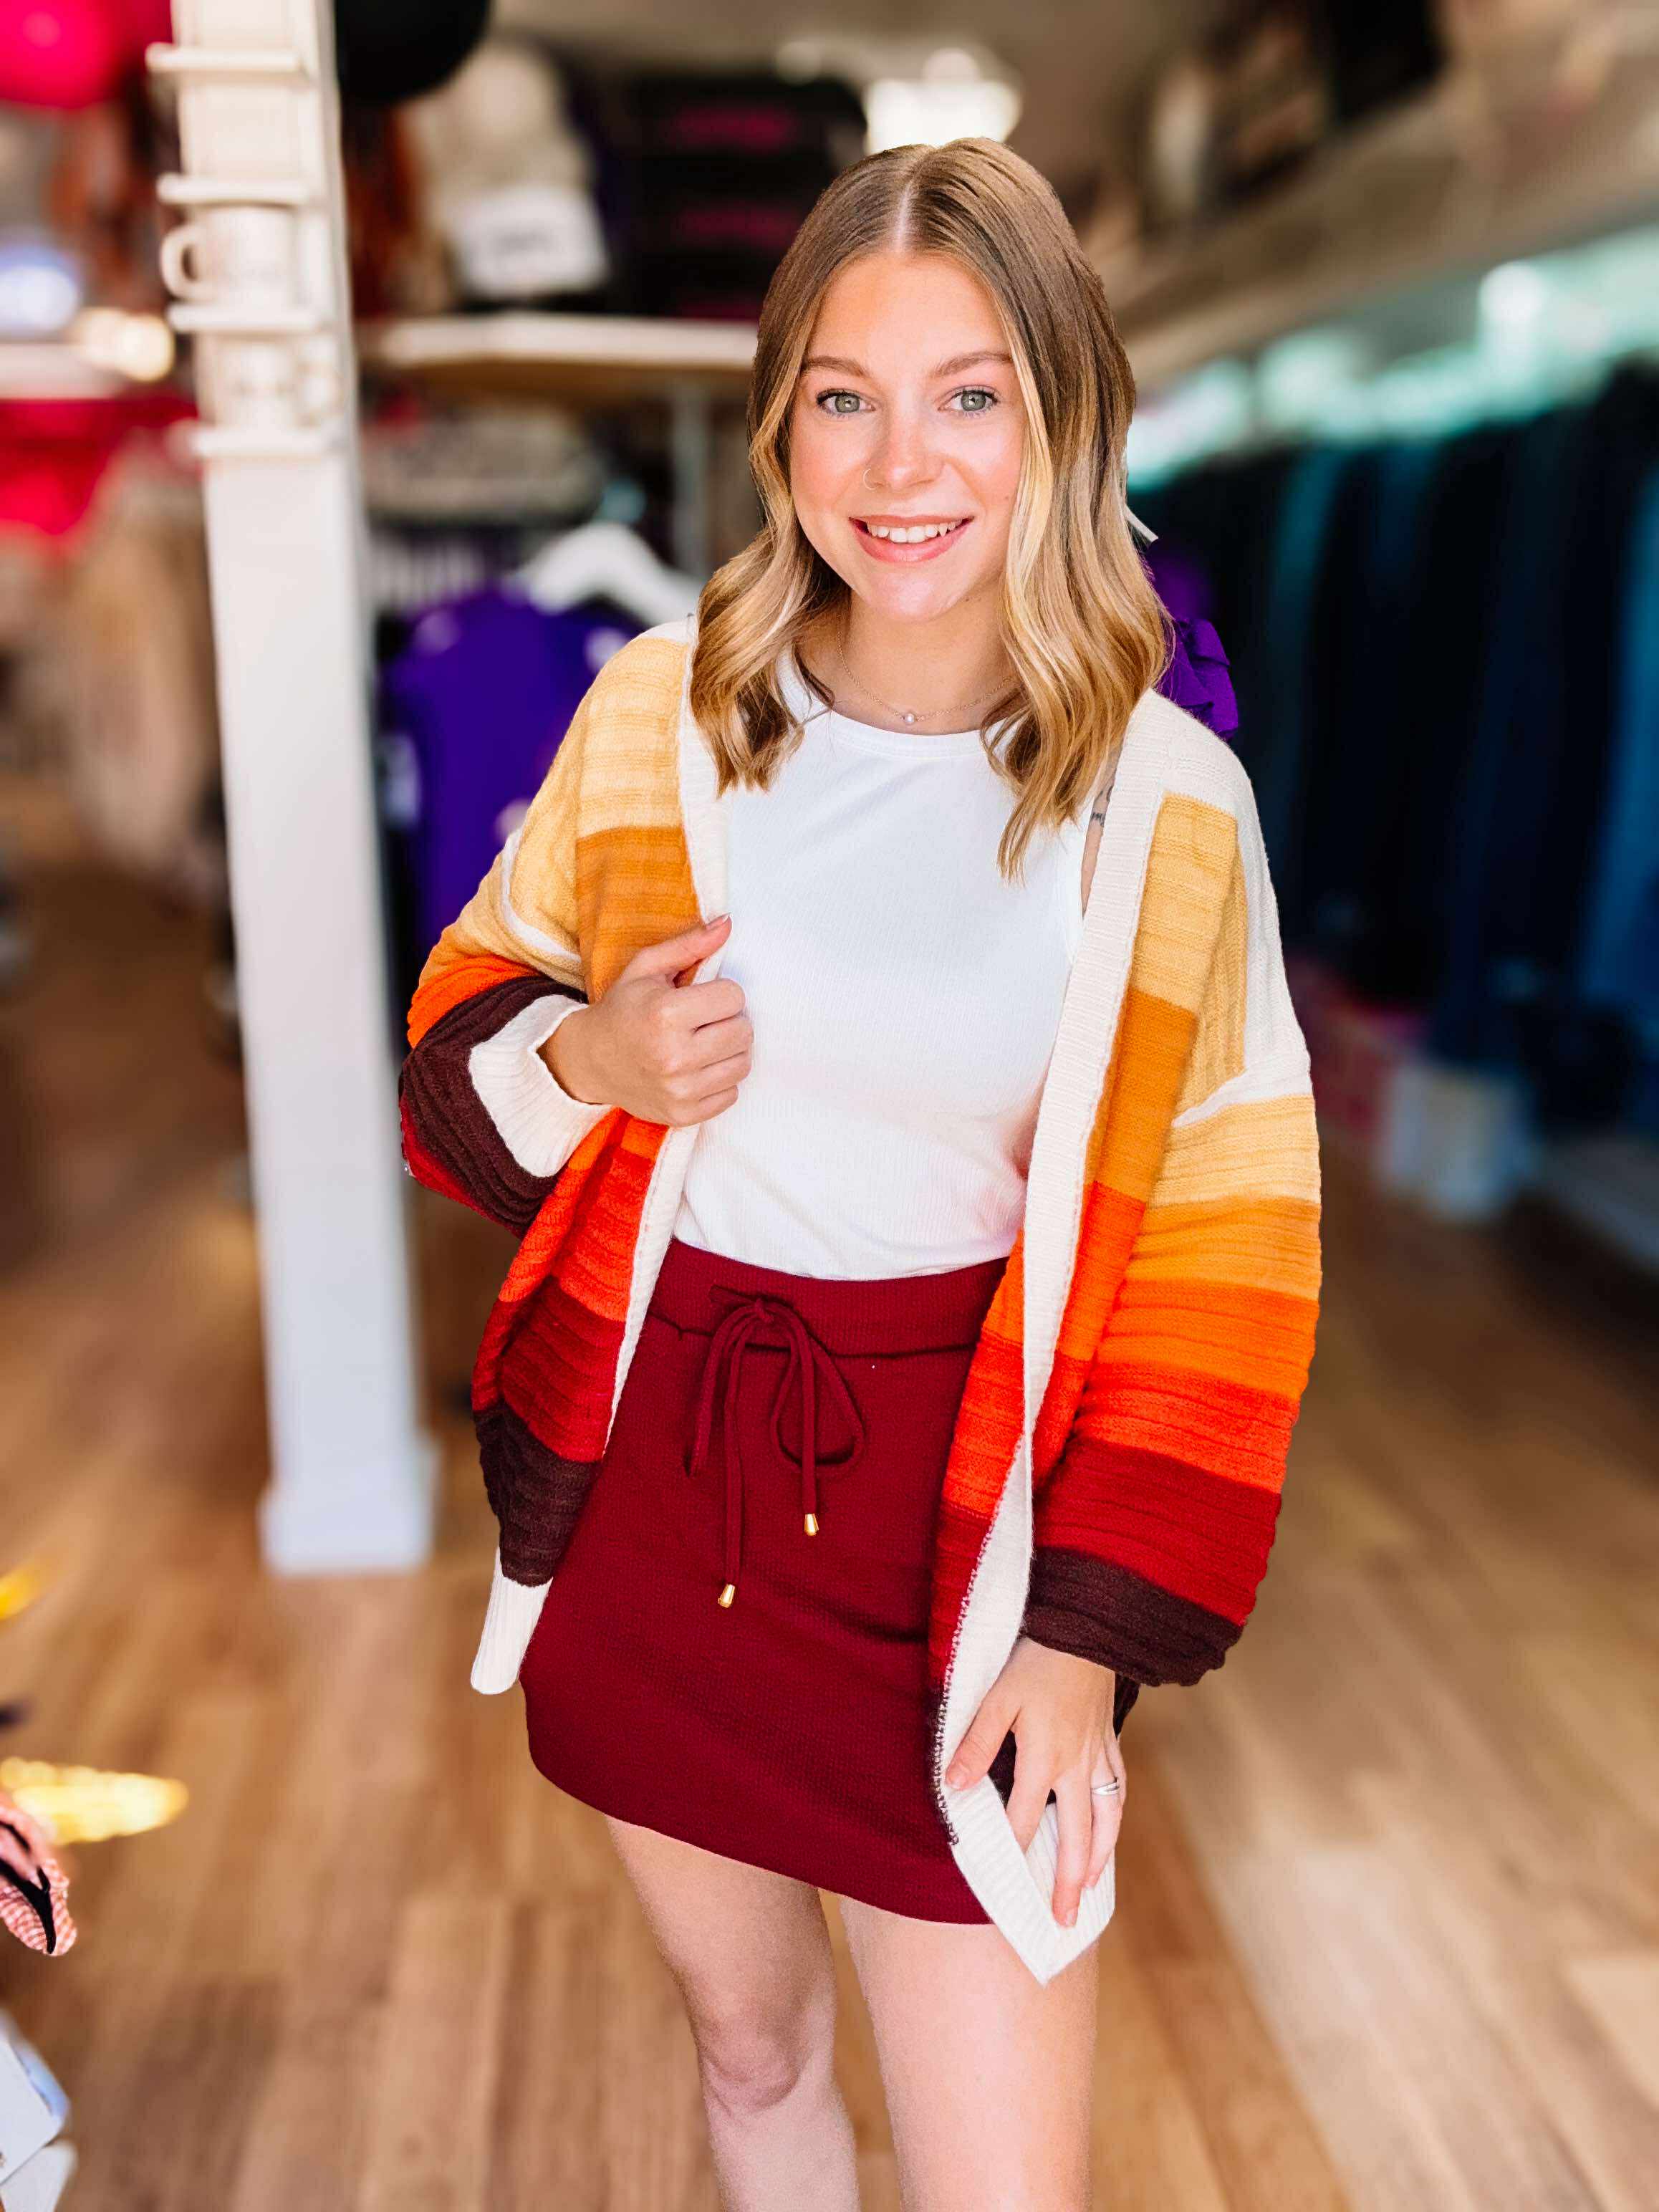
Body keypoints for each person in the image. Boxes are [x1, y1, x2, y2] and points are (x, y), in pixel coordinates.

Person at [399, 138, 1321, 2212]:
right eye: (842, 392)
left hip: (967, 1549)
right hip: (657, 1498)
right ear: (776, 423)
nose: (900, 464)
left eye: (969, 391)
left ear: (1061, 419)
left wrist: (1082, 1641)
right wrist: (591, 1052)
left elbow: (1224, 1239)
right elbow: (460, 1050)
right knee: (750, 2055)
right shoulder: (660, 721)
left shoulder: (1165, 800)